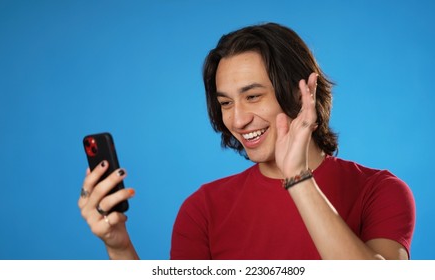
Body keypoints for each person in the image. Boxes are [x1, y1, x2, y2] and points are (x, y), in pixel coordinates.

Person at [78, 22, 415, 260]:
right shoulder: (204, 209)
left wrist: (297, 178)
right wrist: (119, 246)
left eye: (253, 96)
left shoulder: (379, 190)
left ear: (302, 94)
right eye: (226, 103)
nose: (237, 120)